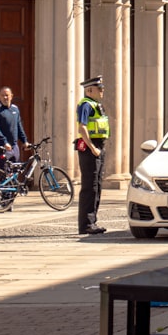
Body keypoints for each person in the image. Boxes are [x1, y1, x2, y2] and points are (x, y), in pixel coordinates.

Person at [76, 75, 111, 235]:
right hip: (91, 148)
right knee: (89, 186)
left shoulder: (96, 105)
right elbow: (81, 128)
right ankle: (86, 224)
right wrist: (92, 148)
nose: (102, 91)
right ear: (89, 90)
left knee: (96, 185)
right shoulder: (86, 105)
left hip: (98, 146)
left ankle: (92, 221)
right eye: (100, 88)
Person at [0, 86, 28, 168]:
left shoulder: (15, 109)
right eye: (2, 95)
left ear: (11, 96)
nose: (5, 97)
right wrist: (4, 142)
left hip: (14, 146)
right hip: (1, 146)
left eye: (7, 95)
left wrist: (24, 141)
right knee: (5, 171)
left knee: (15, 171)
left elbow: (19, 125)